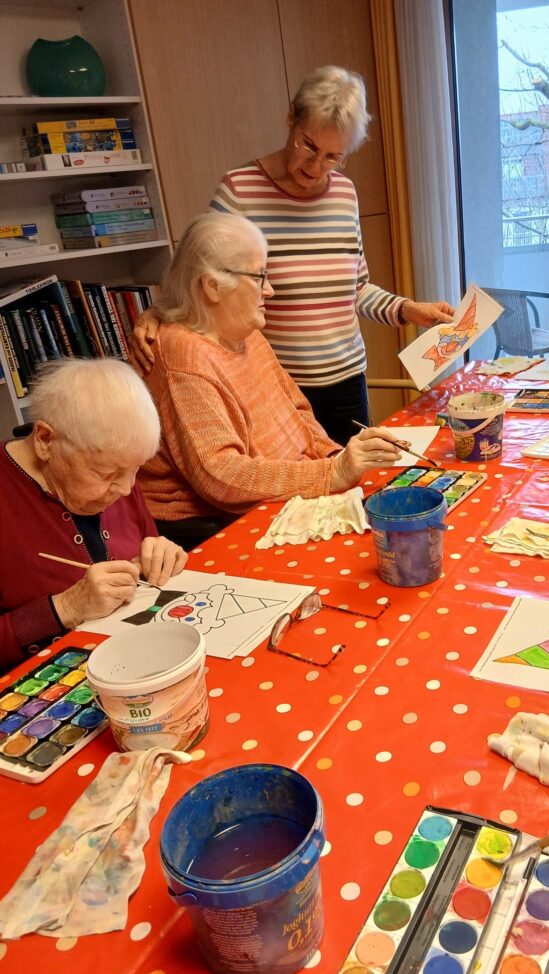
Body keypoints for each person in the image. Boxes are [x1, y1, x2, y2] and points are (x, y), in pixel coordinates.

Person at [131, 66, 454, 445]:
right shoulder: (240, 192)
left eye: (333, 157)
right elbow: (195, 276)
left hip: (348, 383)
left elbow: (357, 289)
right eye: (308, 147)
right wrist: (157, 314)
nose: (316, 168)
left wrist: (406, 309)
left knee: (353, 491)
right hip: (277, 388)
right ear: (290, 118)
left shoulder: (344, 195)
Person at [137, 212, 404, 547]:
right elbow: (221, 477)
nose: (271, 290)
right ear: (212, 285)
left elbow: (299, 412)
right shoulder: (184, 356)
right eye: (260, 277)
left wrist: (334, 458)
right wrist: (331, 475)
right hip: (218, 525)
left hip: (285, 496)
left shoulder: (244, 333)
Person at [0, 360, 187, 672]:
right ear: (46, 440)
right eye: (108, 473)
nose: (128, 489)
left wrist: (157, 555)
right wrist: (64, 608)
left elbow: (144, 544)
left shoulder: (117, 473)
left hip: (134, 659)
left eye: (136, 469)